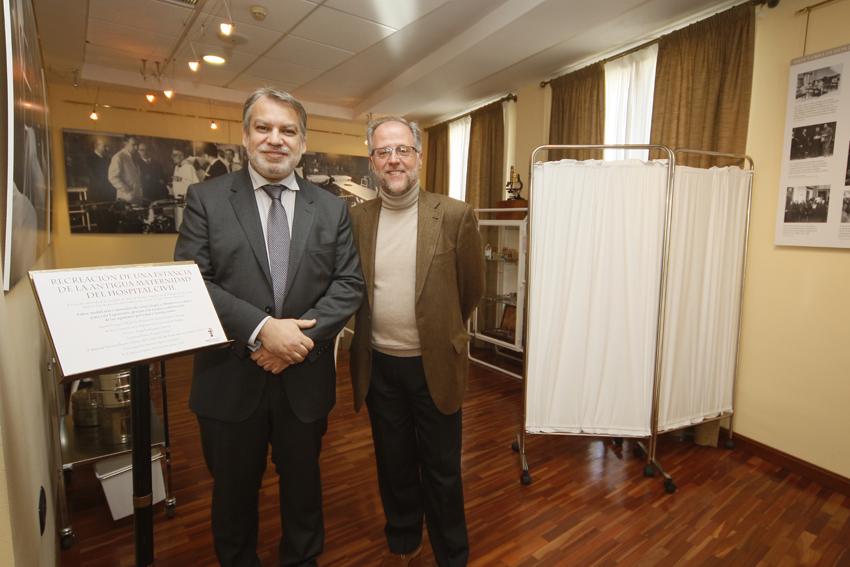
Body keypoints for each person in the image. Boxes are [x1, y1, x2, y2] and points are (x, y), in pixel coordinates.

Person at [174, 87, 364, 567]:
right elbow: (192, 281)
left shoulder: (332, 208)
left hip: (304, 376)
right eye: (264, 127)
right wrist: (262, 329)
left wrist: (292, 341)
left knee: (304, 490)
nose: (275, 139)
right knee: (233, 497)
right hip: (229, 377)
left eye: (288, 131)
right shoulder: (207, 199)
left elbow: (348, 284)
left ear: (302, 142)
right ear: (245, 135)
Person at [348, 117, 484, 567]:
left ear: (419, 157)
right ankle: (404, 538)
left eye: (402, 150)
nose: (394, 159)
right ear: (372, 161)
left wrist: (439, 329)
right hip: (380, 366)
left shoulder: (455, 215)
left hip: (435, 366)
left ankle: (452, 553)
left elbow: (470, 290)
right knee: (394, 462)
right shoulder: (357, 220)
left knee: (443, 470)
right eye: (384, 152)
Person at [108, 135, 143, 204]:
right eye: (133, 145)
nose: (136, 148)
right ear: (125, 144)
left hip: (137, 197)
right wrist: (128, 190)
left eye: (137, 145)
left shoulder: (134, 157)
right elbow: (112, 177)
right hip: (125, 198)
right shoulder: (119, 157)